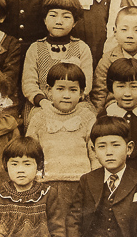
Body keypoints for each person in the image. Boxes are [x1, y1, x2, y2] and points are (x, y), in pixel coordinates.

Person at [25, 62, 97, 216]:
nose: (66, 95)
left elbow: (95, 154)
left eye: (73, 90)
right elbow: (30, 153)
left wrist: (95, 183)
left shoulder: (87, 117)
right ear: (49, 91)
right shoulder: (39, 118)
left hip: (80, 184)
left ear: (82, 93)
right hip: (46, 185)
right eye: (60, 89)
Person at [21, 0, 94, 120]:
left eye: (66, 17)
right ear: (44, 19)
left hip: (75, 104)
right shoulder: (35, 48)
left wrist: (71, 100)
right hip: (42, 105)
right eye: (53, 16)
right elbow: (29, 83)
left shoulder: (81, 48)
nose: (59, 21)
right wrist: (43, 101)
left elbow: (86, 84)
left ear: (75, 22)